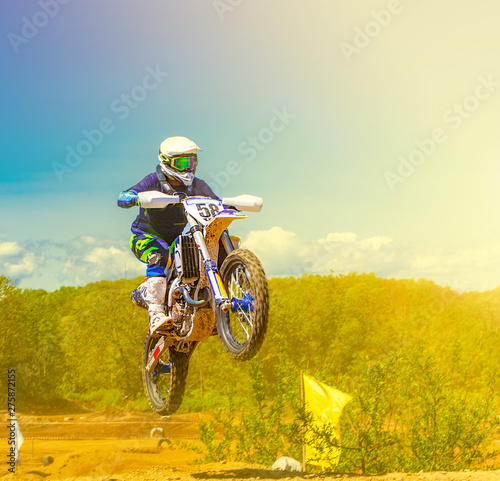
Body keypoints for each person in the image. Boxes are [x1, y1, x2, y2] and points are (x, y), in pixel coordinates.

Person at [117, 136, 219, 336]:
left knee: (202, 256)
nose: (188, 167)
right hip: (145, 237)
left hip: (176, 242)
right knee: (160, 254)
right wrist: (133, 197)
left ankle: (211, 310)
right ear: (165, 162)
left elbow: (216, 203)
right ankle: (156, 313)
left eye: (191, 162)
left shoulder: (197, 186)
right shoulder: (153, 181)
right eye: (182, 163)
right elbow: (124, 196)